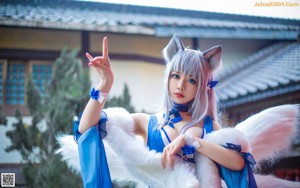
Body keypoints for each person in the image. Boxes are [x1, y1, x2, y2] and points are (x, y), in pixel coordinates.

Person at [57, 34, 299, 188]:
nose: (181, 85)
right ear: (168, 77)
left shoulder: (209, 127)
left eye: (192, 80)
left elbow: (239, 163)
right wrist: (104, 85)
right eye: (176, 76)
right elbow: (87, 127)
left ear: (202, 86)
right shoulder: (147, 122)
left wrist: (191, 140)